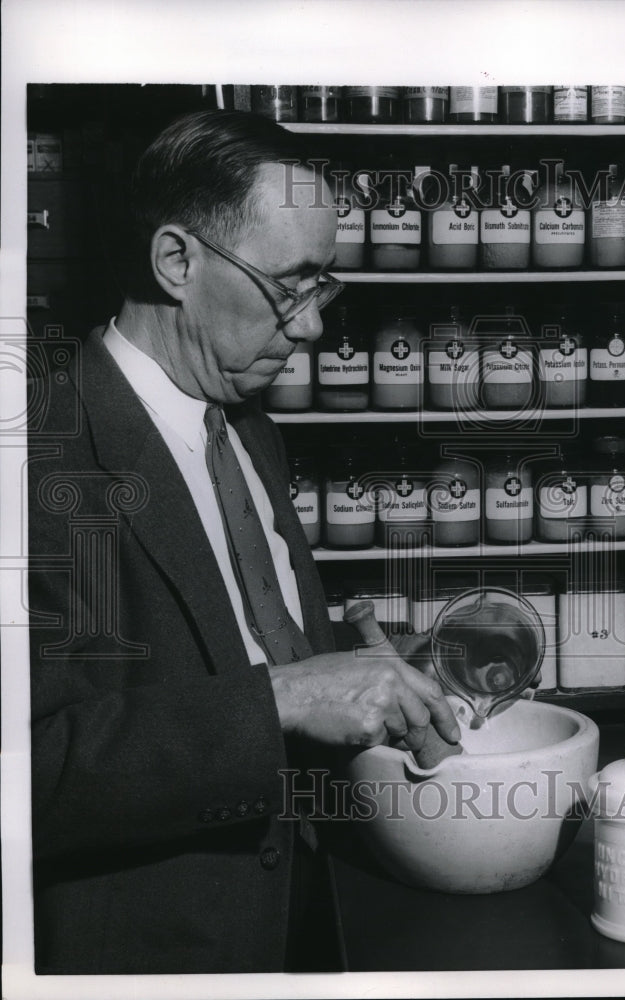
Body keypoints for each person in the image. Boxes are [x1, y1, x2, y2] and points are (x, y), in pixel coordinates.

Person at [27, 110, 460, 975]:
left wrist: (358, 673)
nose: (311, 329)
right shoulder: (40, 457)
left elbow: (230, 645)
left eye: (322, 286)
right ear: (176, 262)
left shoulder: (246, 427)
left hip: (303, 913)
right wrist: (288, 697)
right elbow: (30, 776)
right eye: (288, 286)